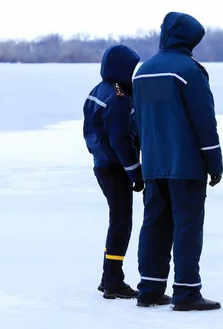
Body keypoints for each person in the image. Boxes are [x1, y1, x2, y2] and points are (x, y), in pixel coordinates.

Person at [132, 11, 223, 311]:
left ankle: (149, 288)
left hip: (154, 164)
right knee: (186, 227)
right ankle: (186, 292)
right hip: (186, 166)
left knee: (154, 224)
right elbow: (203, 122)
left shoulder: (142, 71)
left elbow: (137, 122)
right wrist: (215, 163)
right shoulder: (189, 71)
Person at [82, 44, 145, 300]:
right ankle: (114, 282)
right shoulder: (117, 99)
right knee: (121, 223)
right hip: (115, 168)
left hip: (102, 165)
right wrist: (135, 173)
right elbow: (121, 140)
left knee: (117, 221)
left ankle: (107, 278)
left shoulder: (98, 91)